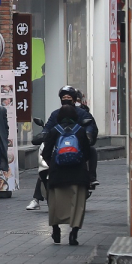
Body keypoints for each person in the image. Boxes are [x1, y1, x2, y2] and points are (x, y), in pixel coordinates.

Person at [42, 103, 92, 245]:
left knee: (55, 203)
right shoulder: (81, 131)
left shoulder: (54, 131)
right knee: (77, 204)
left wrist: (53, 164)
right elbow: (88, 153)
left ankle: (56, 230)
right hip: (78, 174)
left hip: (58, 174)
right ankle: (73, 234)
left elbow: (45, 153)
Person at [44, 86, 99, 187]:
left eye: (68, 98)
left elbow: (90, 127)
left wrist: (88, 135)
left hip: (78, 146)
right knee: (43, 166)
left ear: (74, 100)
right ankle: (37, 196)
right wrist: (42, 134)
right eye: (63, 98)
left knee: (91, 151)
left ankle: (91, 177)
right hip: (57, 146)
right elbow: (48, 127)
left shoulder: (83, 114)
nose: (66, 100)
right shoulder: (55, 114)